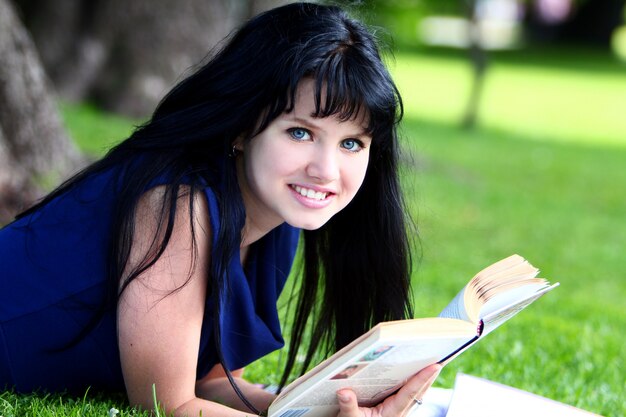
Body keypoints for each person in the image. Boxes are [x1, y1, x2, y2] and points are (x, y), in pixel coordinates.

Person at [0, 3, 441, 416]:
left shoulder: (275, 220)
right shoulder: (177, 206)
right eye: (300, 133)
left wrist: (320, 406)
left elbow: (208, 382)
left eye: (351, 143)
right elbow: (168, 404)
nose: (326, 170)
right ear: (244, 128)